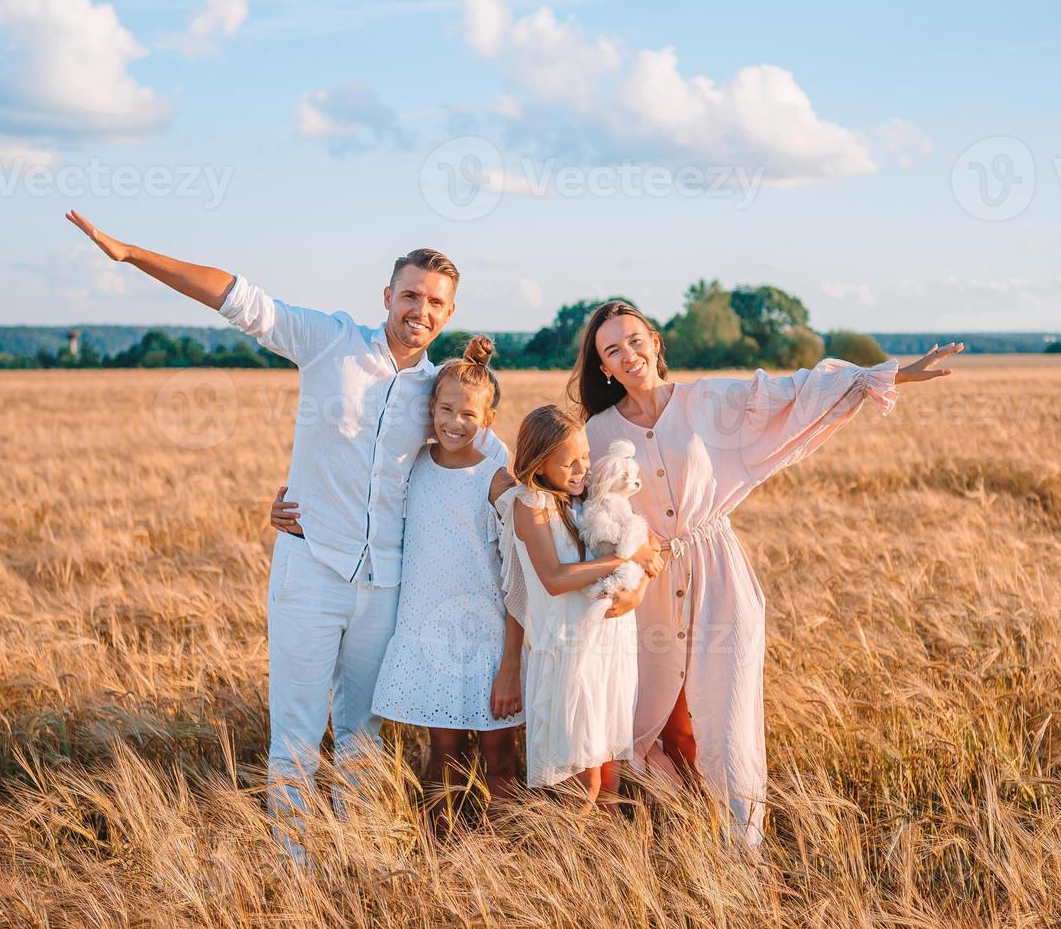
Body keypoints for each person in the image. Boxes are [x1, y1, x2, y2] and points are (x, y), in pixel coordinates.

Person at [63, 210, 506, 858]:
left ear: (450, 311)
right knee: (296, 732)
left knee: (362, 733)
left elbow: (505, 466)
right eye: (410, 295)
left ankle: (354, 853)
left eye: (434, 301)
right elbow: (235, 295)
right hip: (308, 570)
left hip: (385, 583)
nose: (420, 309)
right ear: (387, 297)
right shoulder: (329, 340)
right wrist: (130, 254)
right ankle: (295, 868)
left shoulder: (441, 389)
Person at [573, 300, 963, 847]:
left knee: (727, 720)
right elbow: (577, 503)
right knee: (651, 723)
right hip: (647, 589)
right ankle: (684, 835)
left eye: (635, 341)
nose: (628, 354)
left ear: (656, 343)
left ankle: (741, 851)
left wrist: (888, 373)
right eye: (612, 350)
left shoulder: (708, 400)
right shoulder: (598, 431)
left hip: (719, 581)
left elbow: (789, 391)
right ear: (603, 367)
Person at [368, 336, 523, 832]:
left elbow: (519, 572)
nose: (456, 423)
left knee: (500, 761)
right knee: (445, 760)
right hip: (432, 637)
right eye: (446, 409)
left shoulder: (496, 479)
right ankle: (442, 853)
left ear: (489, 420)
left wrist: (510, 665)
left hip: (487, 641)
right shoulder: (413, 470)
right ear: (430, 409)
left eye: (470, 415)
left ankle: (506, 857)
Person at [497, 404, 664, 810]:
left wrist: (638, 584)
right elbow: (554, 579)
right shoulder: (531, 503)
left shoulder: (590, 497)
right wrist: (622, 560)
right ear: (538, 465)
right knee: (582, 778)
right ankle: (562, 863)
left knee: (609, 773)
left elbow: (650, 542)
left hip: (607, 647)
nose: (582, 469)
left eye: (585, 456)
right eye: (569, 463)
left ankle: (601, 866)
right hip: (568, 651)